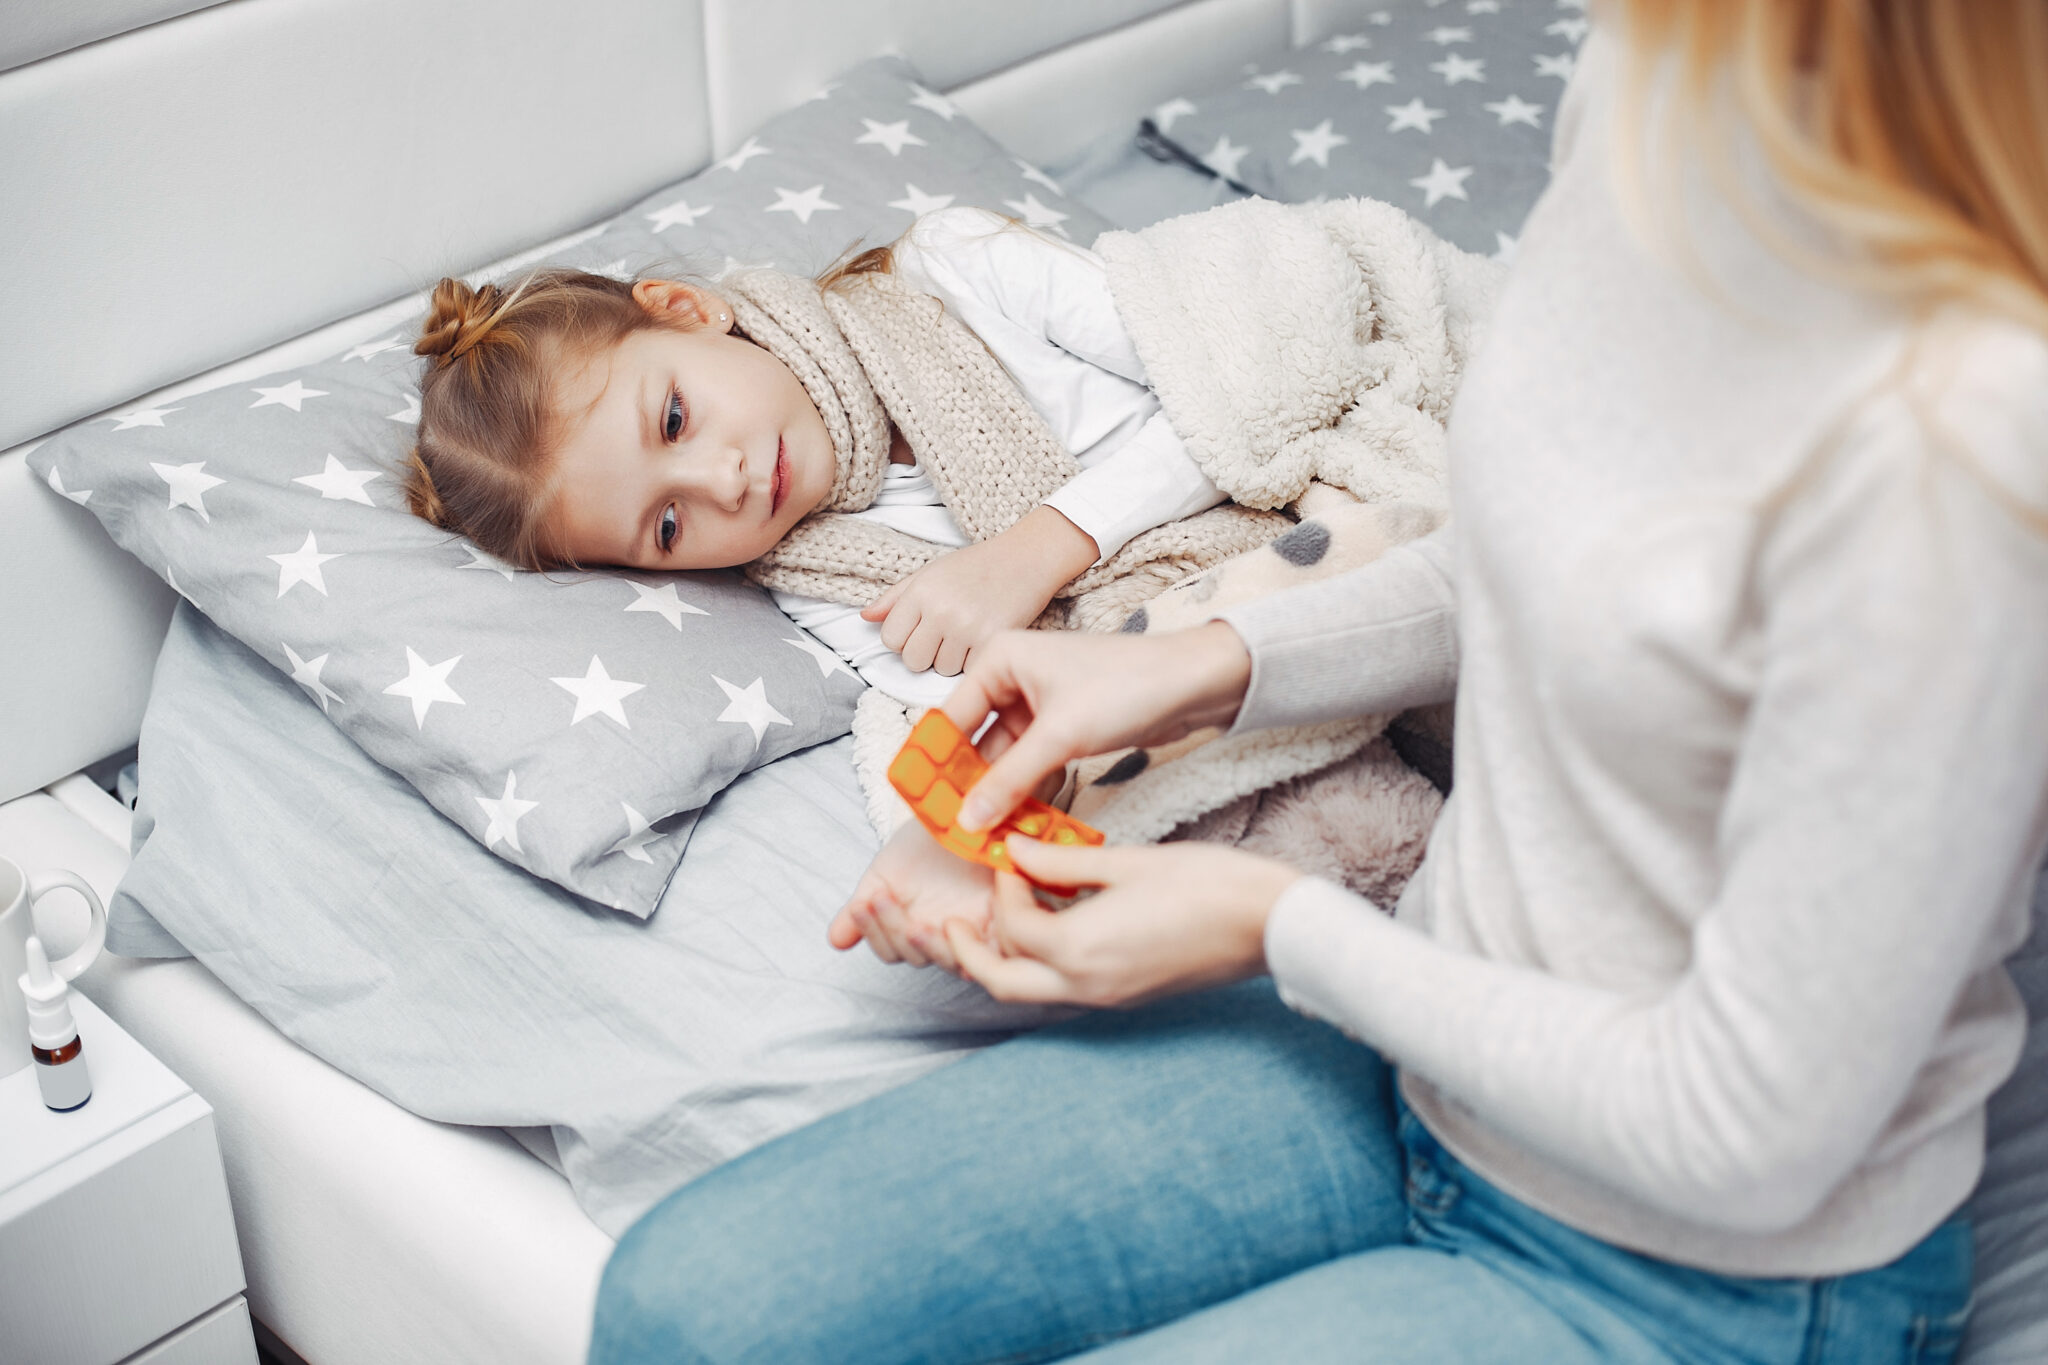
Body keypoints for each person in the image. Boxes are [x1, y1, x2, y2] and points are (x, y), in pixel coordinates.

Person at [587, 2, 2048, 1362]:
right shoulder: (1652, 93)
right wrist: (1193, 670)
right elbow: (1540, 551)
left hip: (1699, 1270)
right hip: (1418, 1057)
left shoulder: (1972, 440)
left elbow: (1752, 1126)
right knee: (689, 1312)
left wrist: (1270, 927)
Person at [399, 206, 1226, 708]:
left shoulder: (960, 271)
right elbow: (990, 705)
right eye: (668, 523)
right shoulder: (832, 585)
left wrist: (1036, 552)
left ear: (686, 311)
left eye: (676, 418)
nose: (723, 482)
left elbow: (1234, 384)